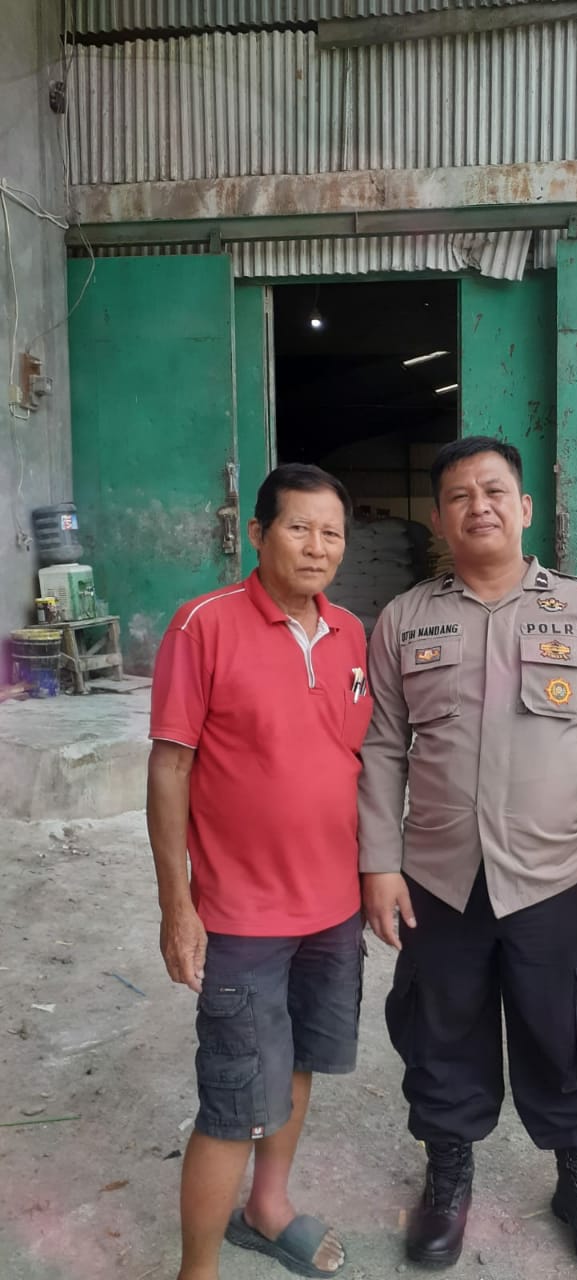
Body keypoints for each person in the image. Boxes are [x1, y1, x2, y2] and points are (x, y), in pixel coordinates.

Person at [358, 436, 577, 1273]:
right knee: (439, 1032)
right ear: (438, 518)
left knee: (563, 1035)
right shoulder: (403, 620)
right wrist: (378, 864)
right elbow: (382, 749)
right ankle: (448, 1179)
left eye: (495, 491)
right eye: (460, 496)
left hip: (553, 875)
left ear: (524, 507)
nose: (480, 507)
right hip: (439, 879)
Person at [146, 463, 371, 1280]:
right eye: (299, 527)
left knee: (299, 1060)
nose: (317, 547)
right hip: (241, 915)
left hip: (333, 908)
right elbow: (170, 767)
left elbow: (355, 761)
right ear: (257, 533)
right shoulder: (202, 625)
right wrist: (177, 905)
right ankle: (197, 1269)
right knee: (233, 1099)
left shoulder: (351, 633)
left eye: (332, 532)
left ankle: (267, 1207)